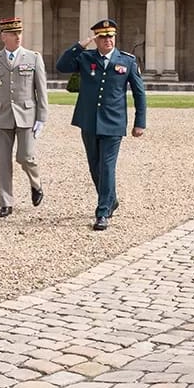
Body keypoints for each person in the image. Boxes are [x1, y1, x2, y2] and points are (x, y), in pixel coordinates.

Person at [56, 18, 147, 231]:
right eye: (104, 37)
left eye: (111, 36)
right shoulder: (85, 58)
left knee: (107, 167)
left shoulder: (128, 61)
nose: (108, 40)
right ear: (97, 39)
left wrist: (139, 122)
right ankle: (111, 198)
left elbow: (139, 93)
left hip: (114, 123)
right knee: (95, 166)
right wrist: (80, 45)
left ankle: (102, 211)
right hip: (88, 121)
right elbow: (62, 66)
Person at [0, 16, 47, 218]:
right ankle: (6, 202)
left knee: (25, 156)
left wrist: (41, 118)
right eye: (13, 33)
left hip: (27, 115)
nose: (17, 36)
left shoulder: (34, 57)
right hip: (2, 115)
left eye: (19, 33)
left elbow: (41, 90)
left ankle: (36, 183)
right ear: (4, 36)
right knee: (3, 161)